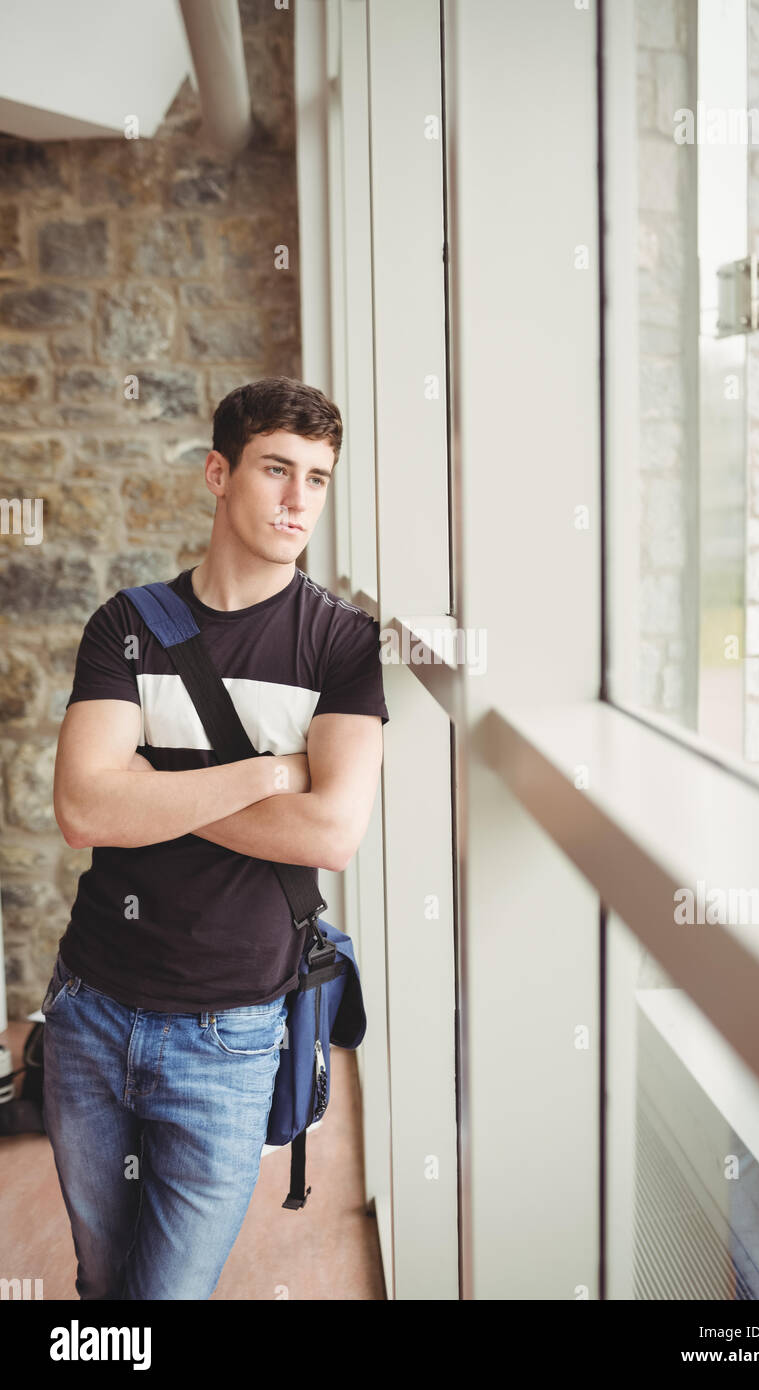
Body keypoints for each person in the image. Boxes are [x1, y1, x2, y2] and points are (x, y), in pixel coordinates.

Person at [46, 376, 389, 1300]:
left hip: (230, 1036)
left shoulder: (344, 646)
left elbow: (331, 834)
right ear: (217, 474)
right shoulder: (126, 628)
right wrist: (267, 774)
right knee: (101, 1285)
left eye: (317, 478)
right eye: (277, 469)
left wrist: (151, 787)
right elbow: (83, 810)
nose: (297, 501)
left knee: (165, 1300)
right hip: (89, 1012)